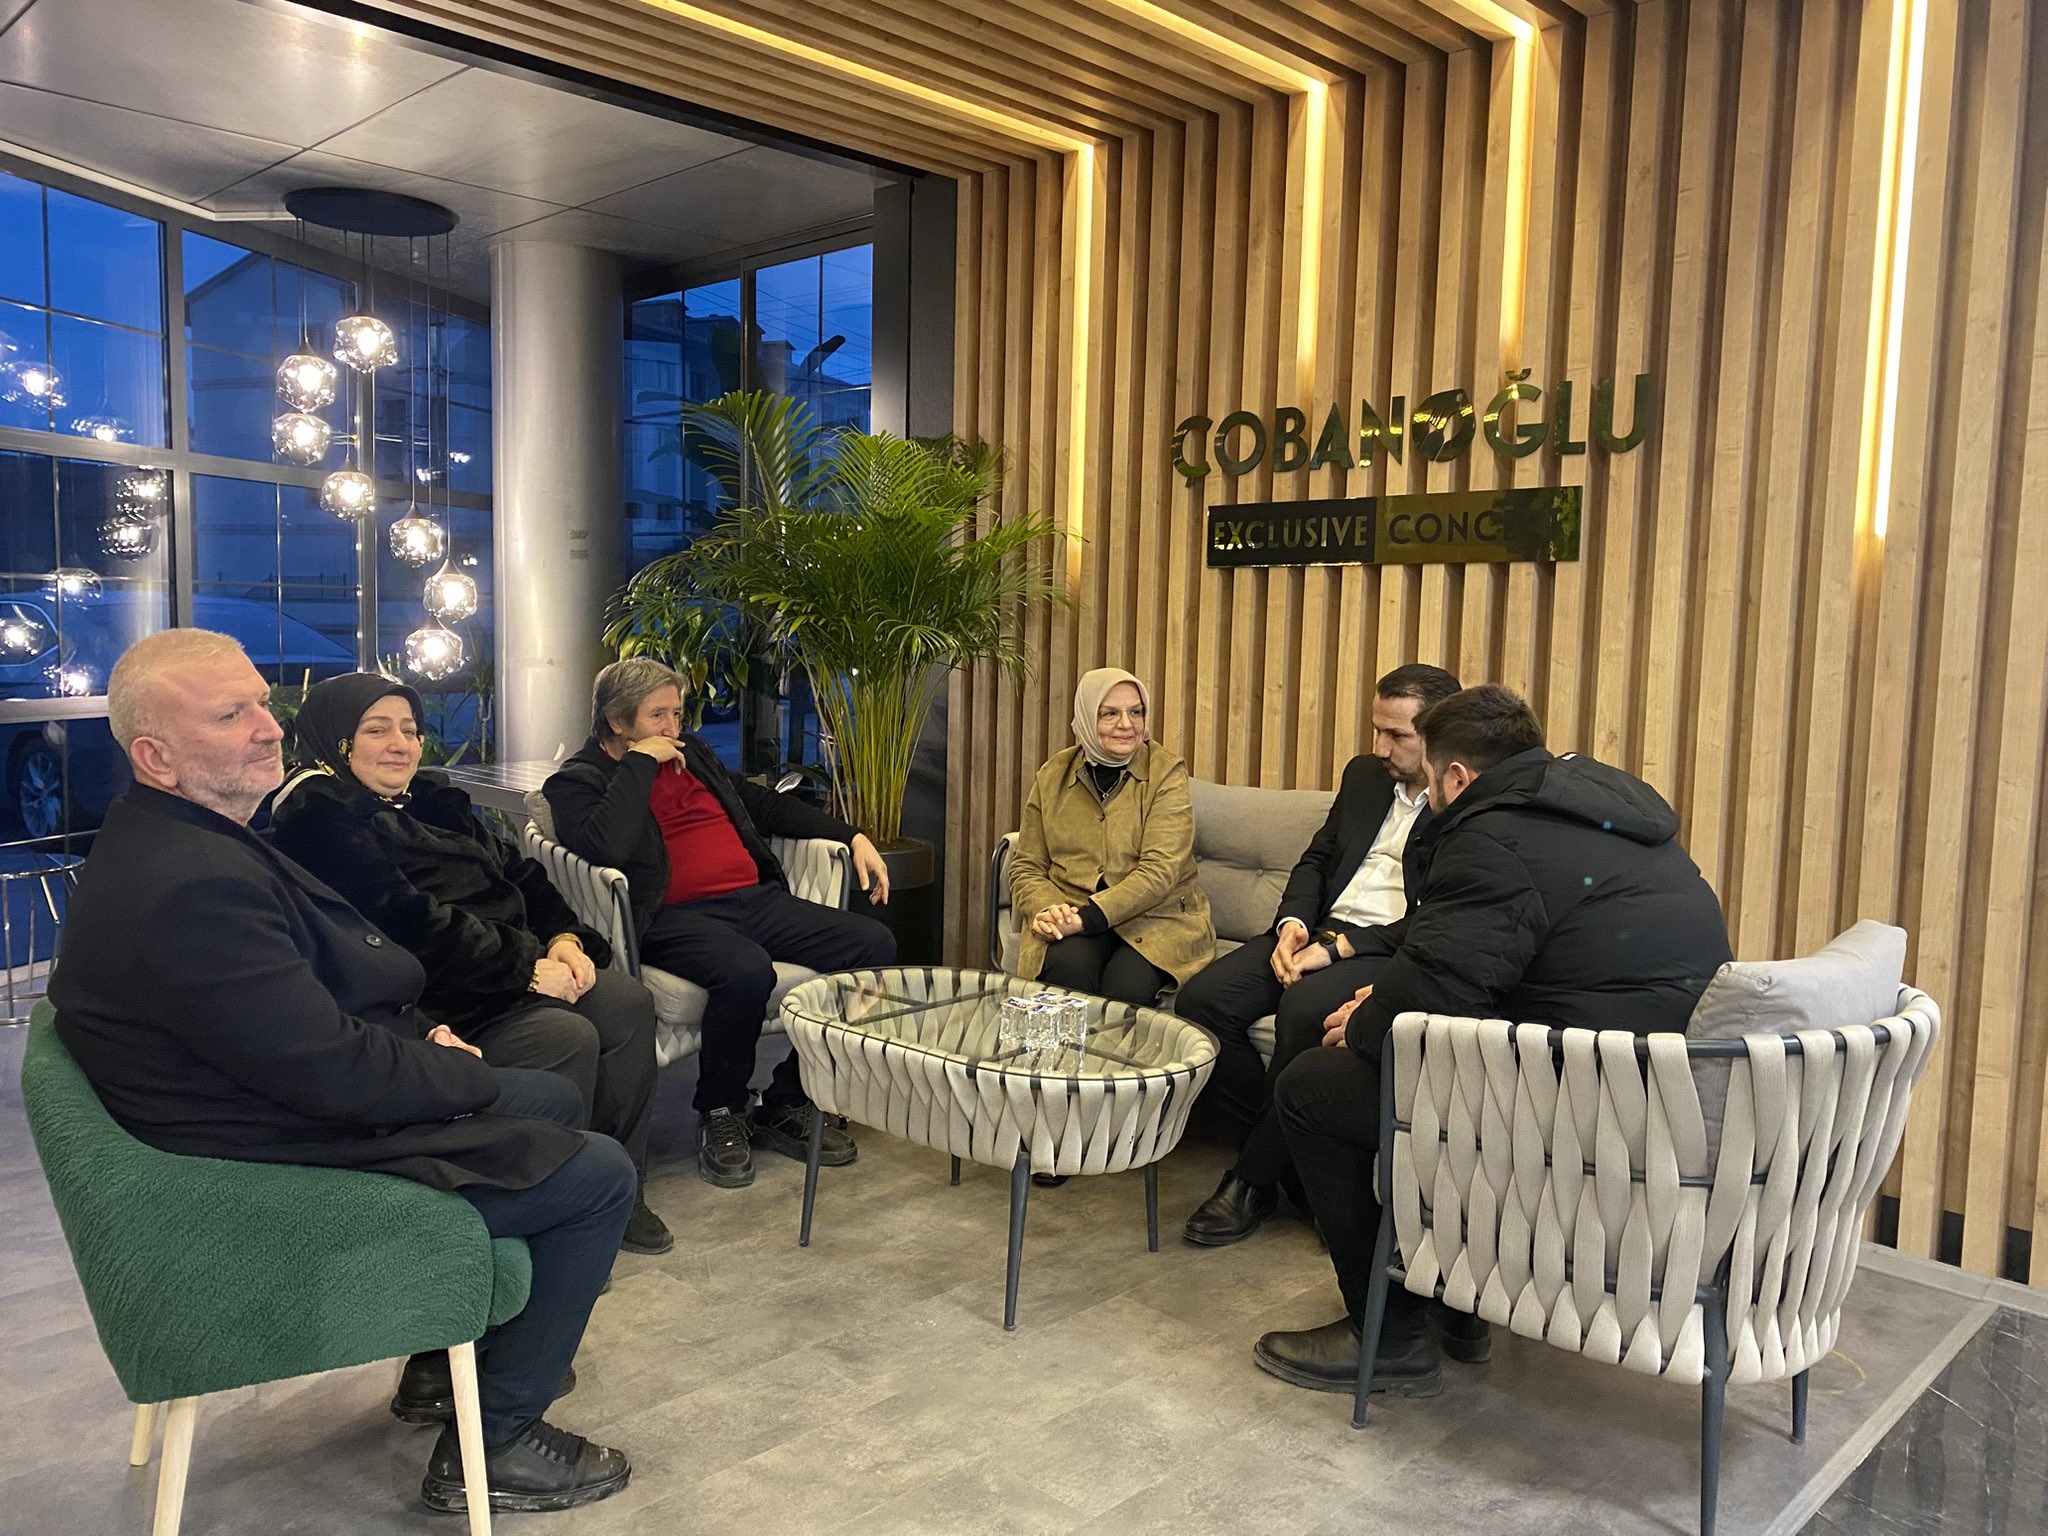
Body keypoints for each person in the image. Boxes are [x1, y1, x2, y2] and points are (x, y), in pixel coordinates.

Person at [49, 630, 635, 1515]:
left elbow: (296, 1007)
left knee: (551, 1093)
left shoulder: (181, 835)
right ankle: (500, 1442)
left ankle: (446, 1359)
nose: (267, 727)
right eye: (230, 715)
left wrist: (425, 1036)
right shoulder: (190, 884)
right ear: (155, 756)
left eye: (262, 703)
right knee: (597, 1176)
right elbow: (330, 1074)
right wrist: (451, 1069)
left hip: (263, 1107)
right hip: (269, 1168)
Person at [1253, 683, 1734, 1401]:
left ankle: (1390, 1338)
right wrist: (1388, 1003)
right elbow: (1497, 966)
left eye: (1430, 780)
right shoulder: (1599, 807)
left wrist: (1369, 1019)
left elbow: (1433, 996)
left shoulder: (1493, 837)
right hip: (1654, 1087)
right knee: (1417, 1066)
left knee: (1314, 1088)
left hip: (1584, 1112)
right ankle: (1458, 1304)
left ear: (1455, 776)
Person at [269, 672, 669, 1269]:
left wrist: (563, 938)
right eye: (377, 730)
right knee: (566, 1036)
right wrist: (525, 968)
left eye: (410, 730)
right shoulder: (320, 816)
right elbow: (407, 926)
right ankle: (552, 1211)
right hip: (439, 1000)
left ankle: (622, 1187)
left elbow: (520, 872)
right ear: (337, 740)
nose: (401, 744)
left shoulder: (430, 799)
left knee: (628, 1003)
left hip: (512, 968)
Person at [542, 657, 895, 1191]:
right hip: (668, 915)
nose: (672, 729)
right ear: (616, 720)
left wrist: (853, 835)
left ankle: (790, 1097)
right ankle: (721, 1110)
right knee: (746, 971)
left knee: (872, 944)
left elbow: (761, 805)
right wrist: (640, 764)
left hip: (754, 900)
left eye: (677, 714)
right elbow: (604, 847)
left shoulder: (695, 755)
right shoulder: (577, 781)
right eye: (657, 716)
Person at [1176, 663, 1460, 1247]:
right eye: (1376, 729)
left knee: (1305, 1011)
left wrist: (1339, 950)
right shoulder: (1364, 776)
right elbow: (1317, 859)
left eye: (1396, 735)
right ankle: (1290, 1157)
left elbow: (1439, 915)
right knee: (1201, 1002)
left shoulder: (1461, 801)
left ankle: (1251, 1181)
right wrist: (1293, 926)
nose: (1379, 747)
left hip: (1383, 948)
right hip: (1319, 930)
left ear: (1438, 735)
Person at [1010, 667, 1215, 1007]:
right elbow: (1027, 865)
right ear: (1086, 717)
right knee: (1066, 973)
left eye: (1136, 712)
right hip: (1072, 908)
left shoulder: (1166, 772)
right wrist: (1048, 910)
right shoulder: (1053, 774)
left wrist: (1085, 920)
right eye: (1110, 714)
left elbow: (1160, 871)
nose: (1126, 724)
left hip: (1157, 918)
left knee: (1125, 989)